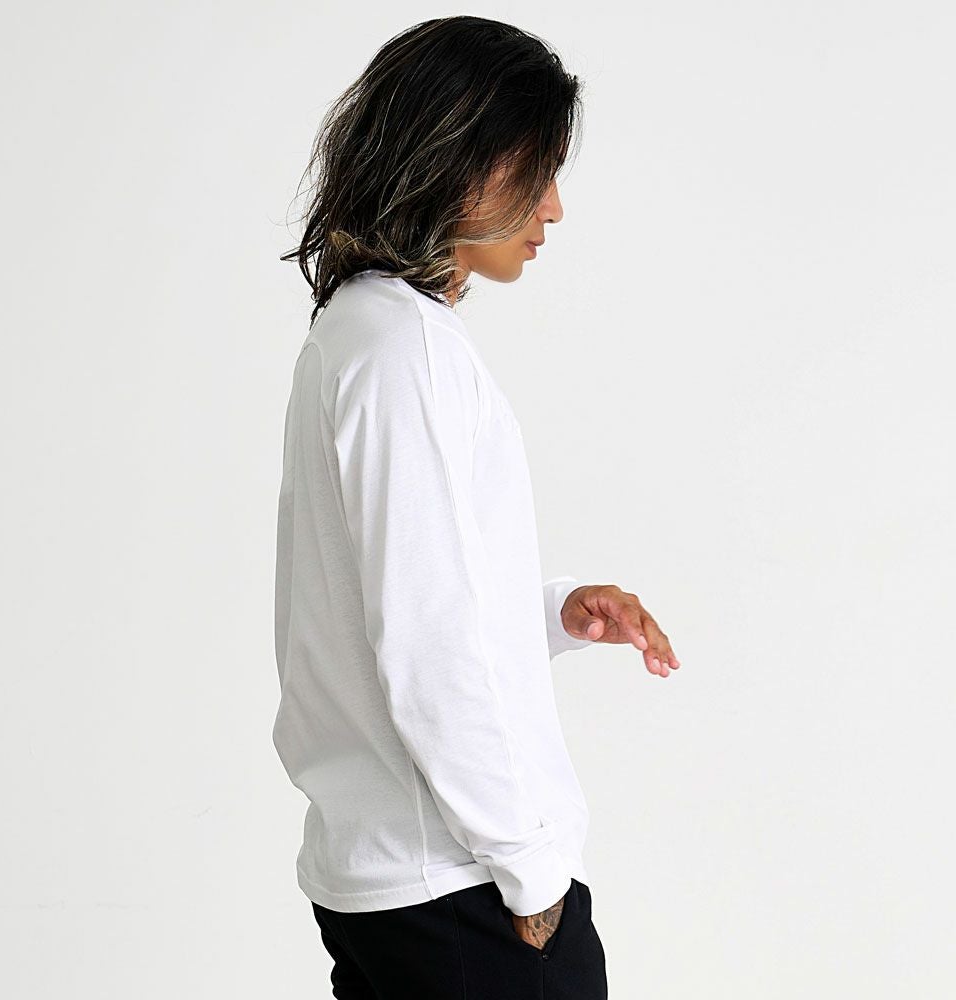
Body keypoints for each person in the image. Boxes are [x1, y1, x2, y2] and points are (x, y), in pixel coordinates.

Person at [272, 15, 680, 998]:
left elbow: (384, 607)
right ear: (460, 164)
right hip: (463, 891)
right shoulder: (402, 350)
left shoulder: (361, 334)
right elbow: (427, 639)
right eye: (537, 171)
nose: (554, 209)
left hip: (397, 879)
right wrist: (530, 869)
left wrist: (552, 611)